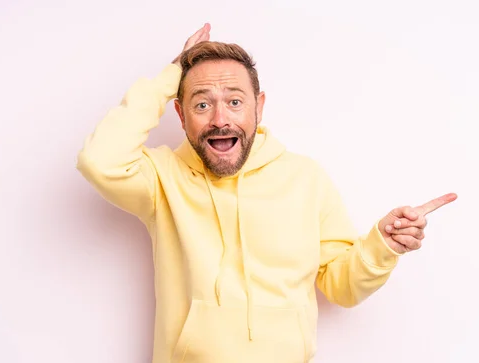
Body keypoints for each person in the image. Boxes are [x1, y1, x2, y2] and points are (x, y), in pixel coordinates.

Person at [76, 23, 457, 363]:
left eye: (235, 101)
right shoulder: (162, 179)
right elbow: (99, 161)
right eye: (202, 103)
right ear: (180, 114)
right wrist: (169, 76)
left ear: (258, 106)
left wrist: (383, 245)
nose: (220, 119)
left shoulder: (305, 179)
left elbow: (341, 287)